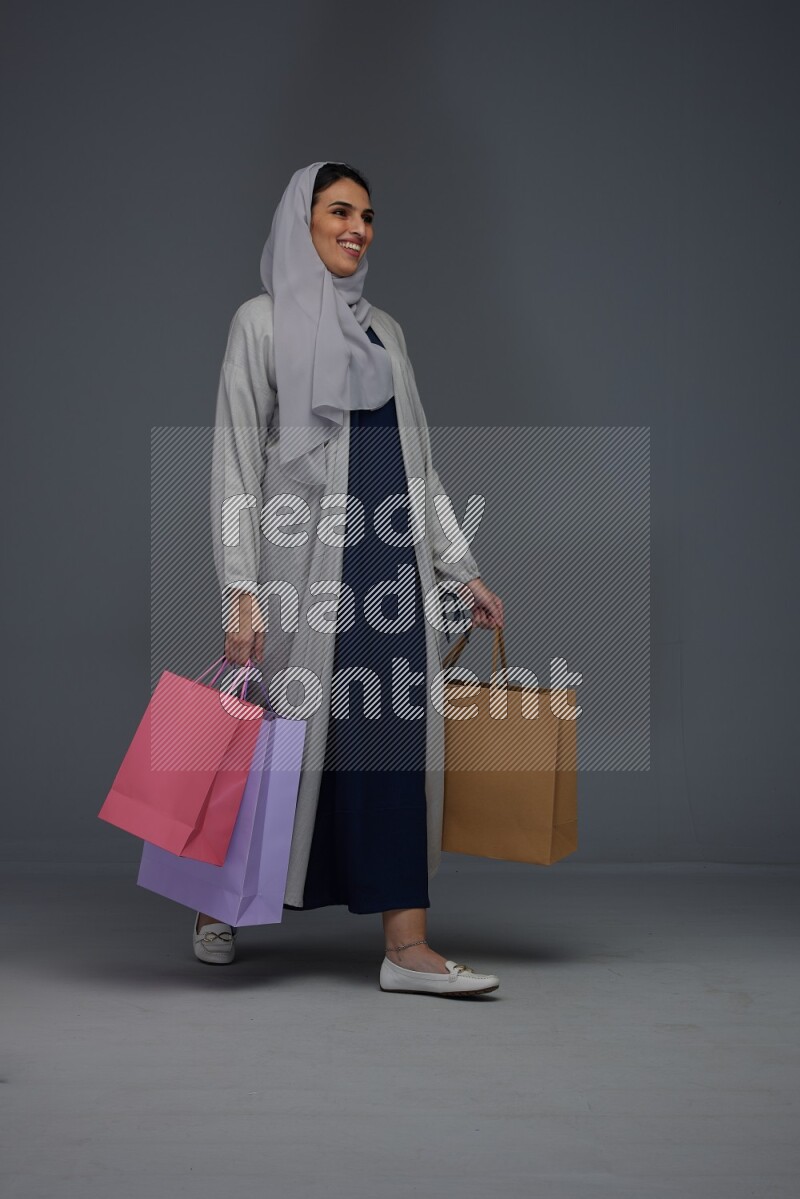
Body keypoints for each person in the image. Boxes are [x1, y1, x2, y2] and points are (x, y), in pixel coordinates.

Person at [199, 162, 505, 997]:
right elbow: (233, 463)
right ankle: (216, 901)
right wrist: (240, 586)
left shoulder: (388, 336)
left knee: (392, 743)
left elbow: (422, 468)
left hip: (390, 565)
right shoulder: (259, 323)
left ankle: (406, 947)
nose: (358, 227)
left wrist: (462, 567)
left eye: (368, 215)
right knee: (271, 742)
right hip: (299, 568)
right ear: (303, 220)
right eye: (339, 210)